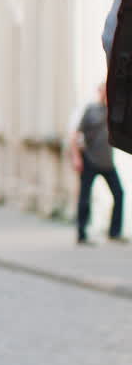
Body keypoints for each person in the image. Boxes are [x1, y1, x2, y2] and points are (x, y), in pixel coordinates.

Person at [70, 82, 127, 246]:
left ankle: (114, 232)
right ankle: (81, 234)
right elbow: (75, 135)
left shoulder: (115, 113)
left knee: (119, 194)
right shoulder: (91, 110)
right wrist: (76, 157)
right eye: (104, 90)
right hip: (90, 160)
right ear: (99, 91)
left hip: (108, 163)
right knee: (85, 197)